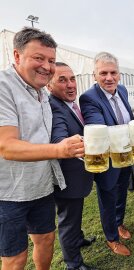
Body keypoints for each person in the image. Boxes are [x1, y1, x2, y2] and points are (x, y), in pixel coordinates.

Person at [0, 27, 84, 270]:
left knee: (46, 240)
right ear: (17, 56)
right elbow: (7, 147)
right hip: (9, 193)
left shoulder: (42, 93)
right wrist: (60, 150)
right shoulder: (4, 87)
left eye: (51, 60)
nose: (47, 66)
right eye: (39, 58)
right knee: (15, 258)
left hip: (41, 187)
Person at [79, 52, 134, 257]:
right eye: (103, 73)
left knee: (121, 193)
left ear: (119, 74)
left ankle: (118, 223)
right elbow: (99, 130)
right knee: (108, 197)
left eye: (113, 72)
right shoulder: (89, 98)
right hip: (107, 159)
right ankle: (111, 238)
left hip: (125, 155)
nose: (109, 77)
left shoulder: (123, 90)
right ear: (94, 75)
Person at [48, 62, 96, 270]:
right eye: (62, 80)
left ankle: (78, 239)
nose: (70, 85)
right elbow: (59, 138)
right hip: (67, 178)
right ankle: (74, 265)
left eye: (72, 78)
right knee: (68, 221)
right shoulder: (54, 107)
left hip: (78, 175)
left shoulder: (69, 104)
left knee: (75, 215)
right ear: (49, 85)